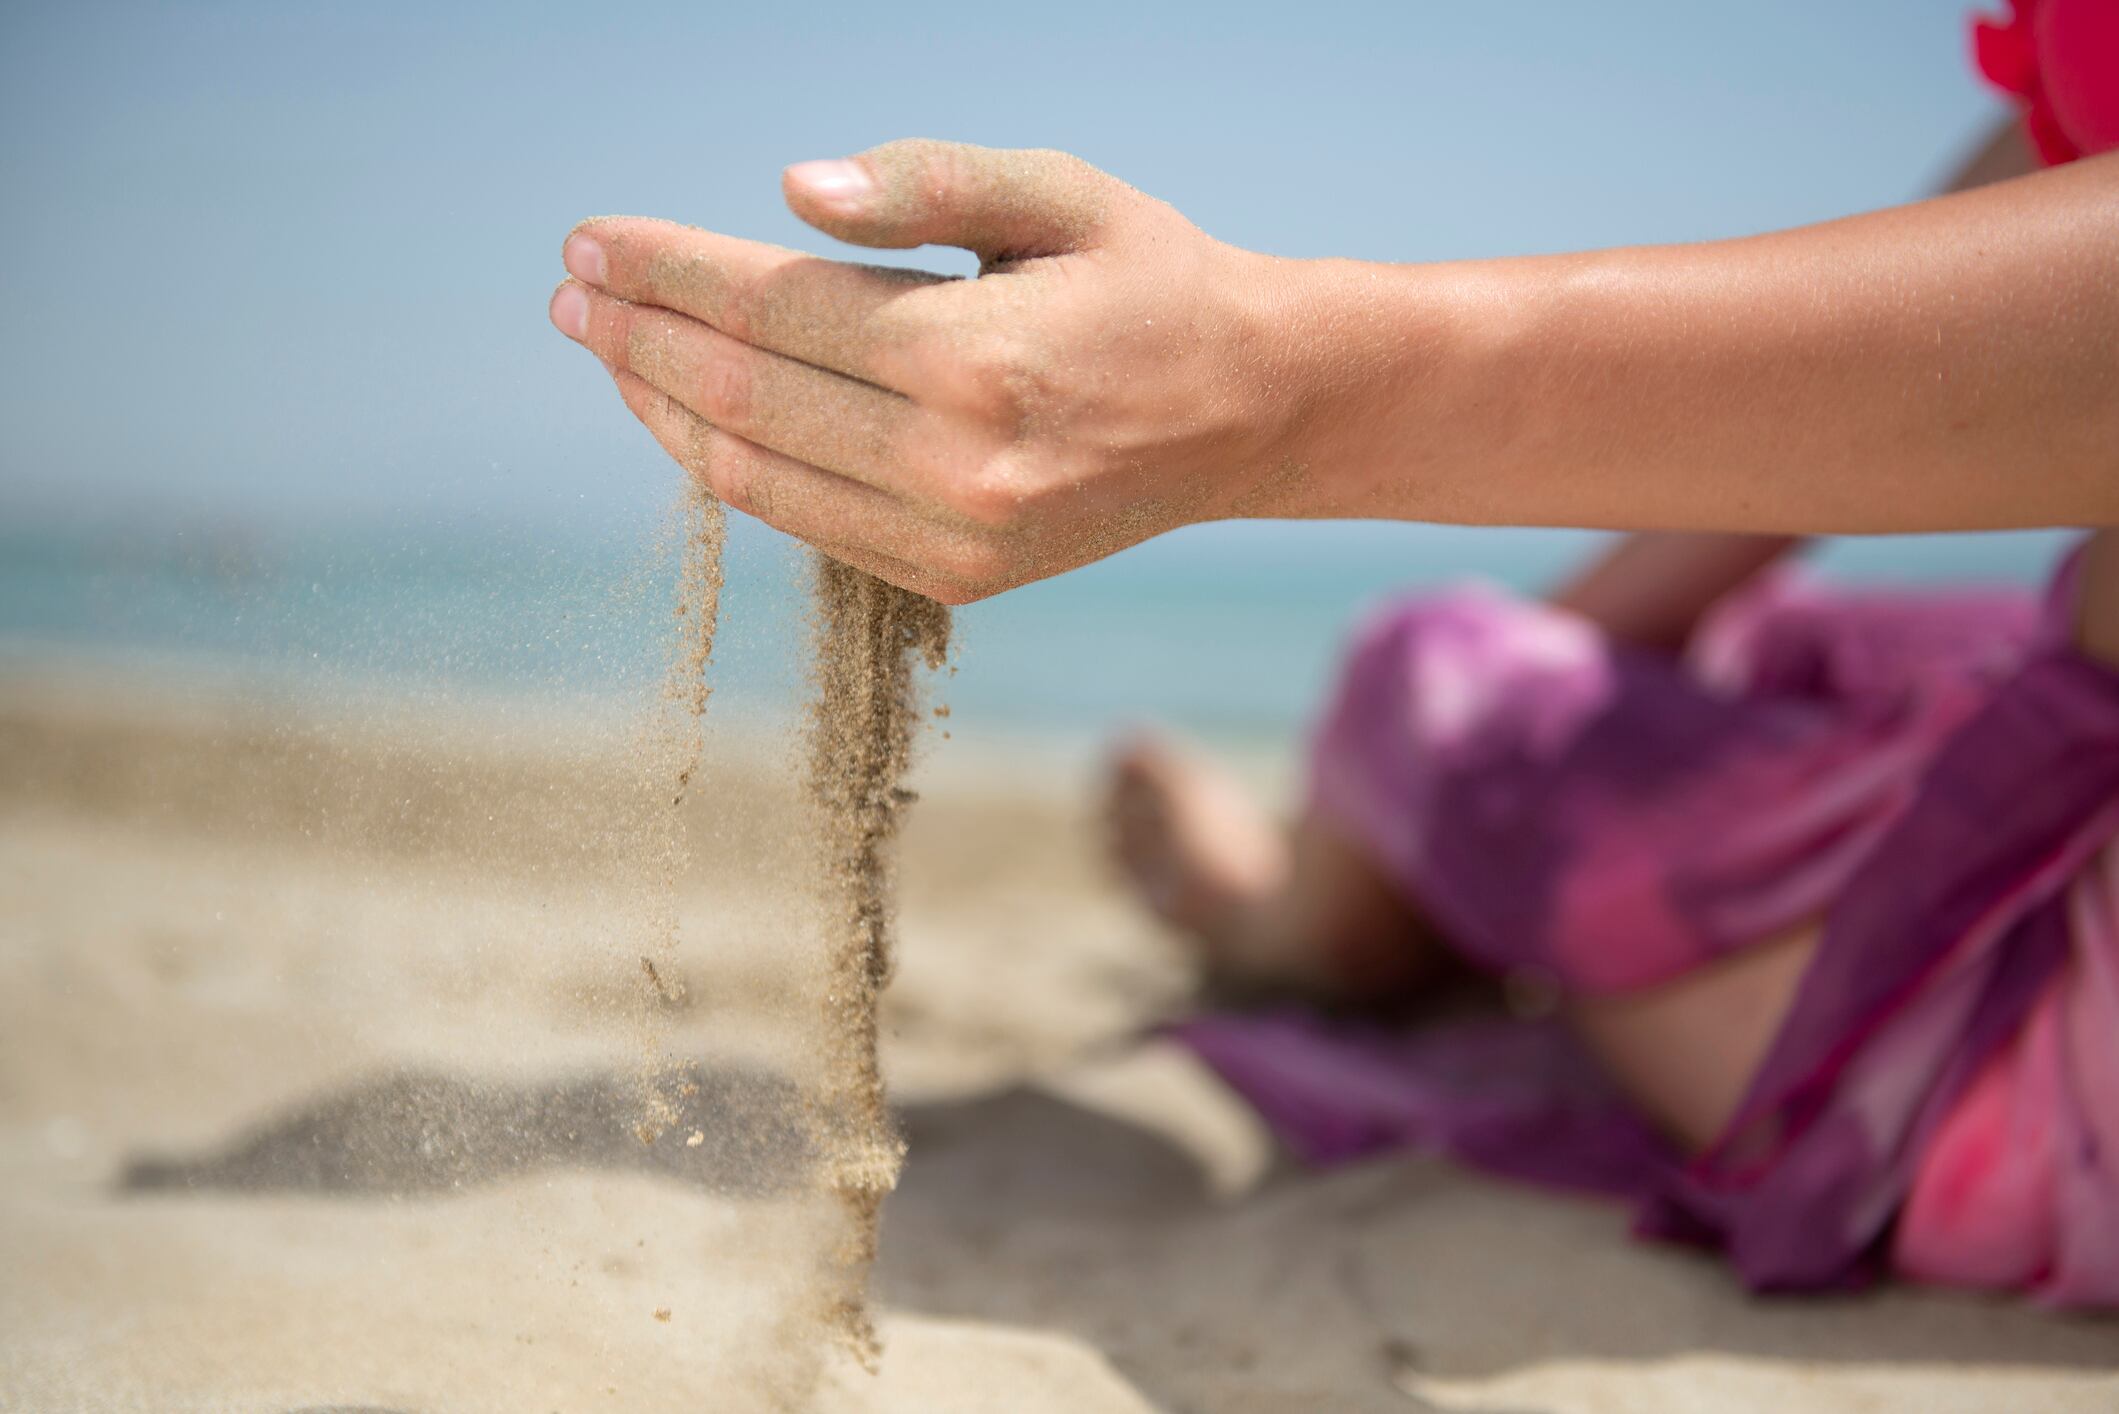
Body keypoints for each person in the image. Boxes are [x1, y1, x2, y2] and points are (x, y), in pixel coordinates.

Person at [550, 2, 2119, 1302]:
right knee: (1735, 654)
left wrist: (1287, 414)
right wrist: (1495, 710)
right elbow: (1985, 254)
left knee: (1426, 668)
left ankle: (1295, 901)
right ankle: (1387, 830)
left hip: (2043, 1042)